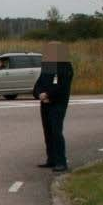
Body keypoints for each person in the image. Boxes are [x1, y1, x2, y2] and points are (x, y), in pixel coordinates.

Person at [33, 41, 74, 172]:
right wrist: (39, 94)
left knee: (56, 131)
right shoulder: (48, 66)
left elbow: (62, 87)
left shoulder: (65, 67)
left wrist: (48, 95)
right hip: (45, 103)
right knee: (48, 131)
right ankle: (51, 159)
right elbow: (39, 83)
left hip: (57, 103)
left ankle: (61, 161)